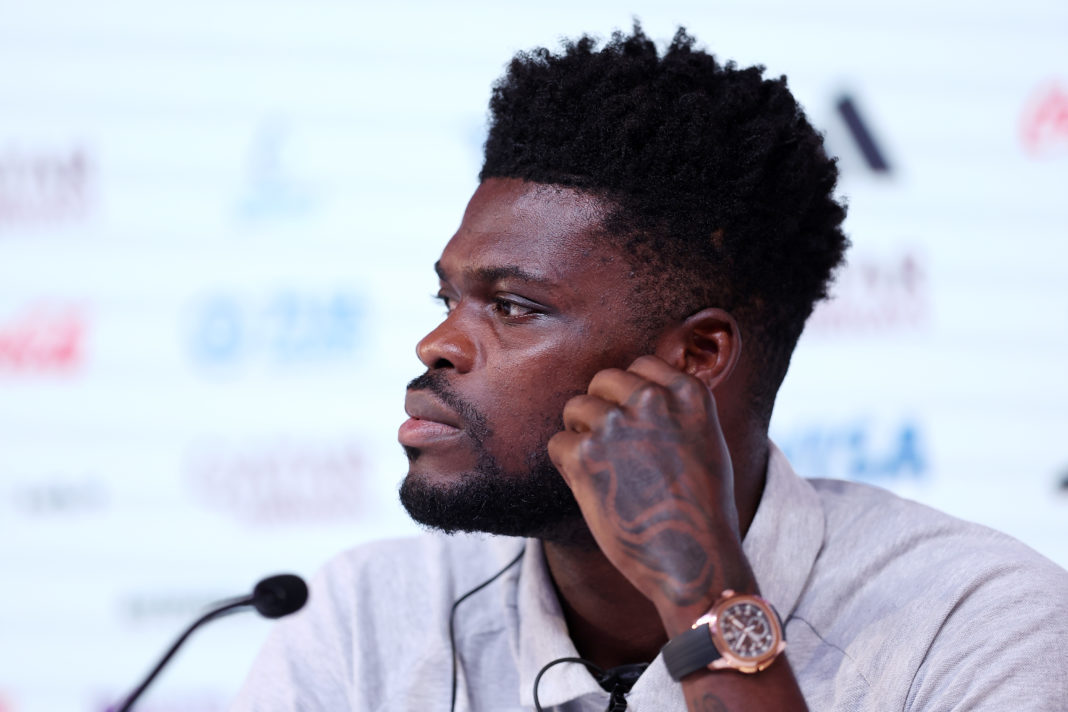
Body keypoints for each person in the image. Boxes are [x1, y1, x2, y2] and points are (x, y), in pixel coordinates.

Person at [231, 25, 1068, 712]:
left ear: (695, 358)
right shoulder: (361, 622)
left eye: (514, 307)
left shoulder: (977, 622)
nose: (438, 344)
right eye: (446, 297)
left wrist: (704, 595)